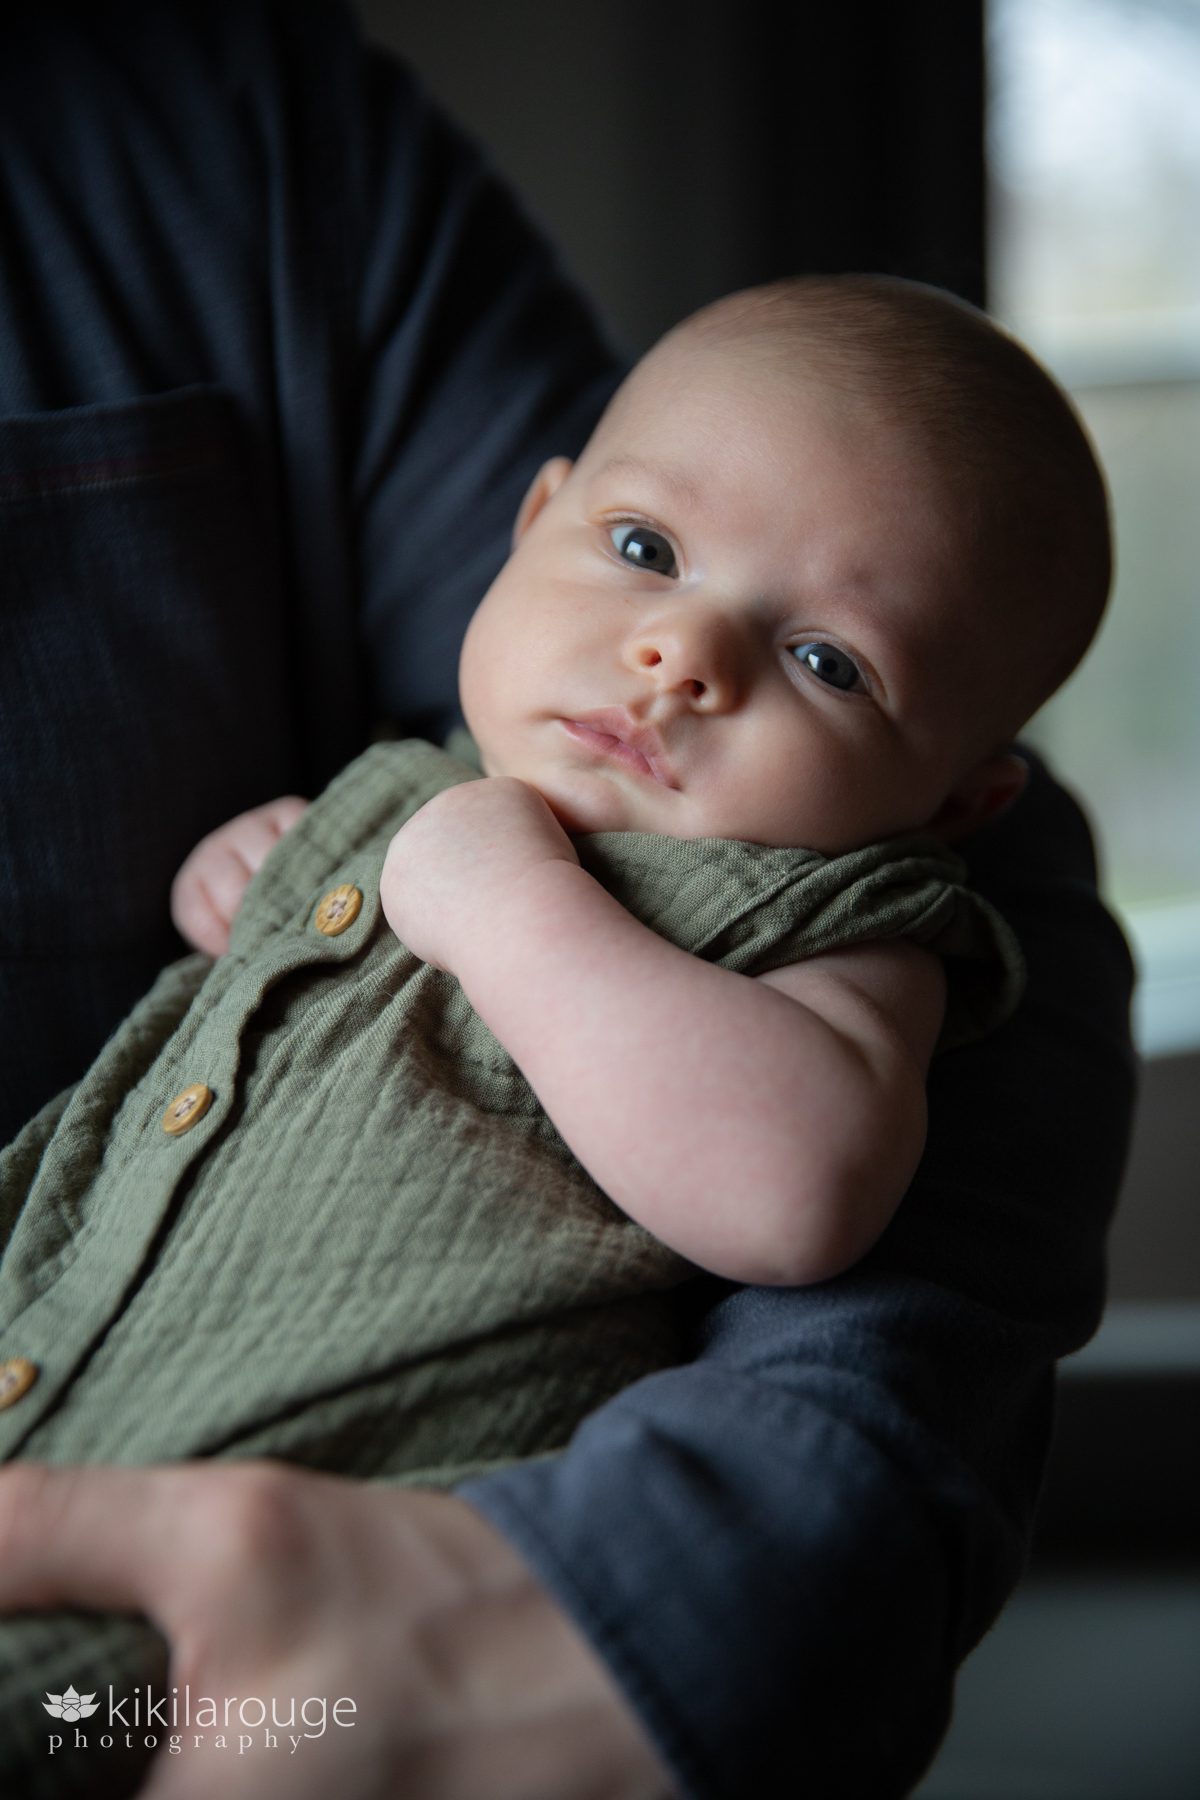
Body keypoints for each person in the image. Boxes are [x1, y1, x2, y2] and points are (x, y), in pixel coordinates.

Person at [0, 6, 1136, 1798]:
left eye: (828, 658)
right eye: (643, 551)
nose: (683, 651)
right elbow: (304, 954)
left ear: (960, 799)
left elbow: (789, 1187)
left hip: (255, 1591)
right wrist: (268, 875)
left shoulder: (835, 919)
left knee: (79, 1742)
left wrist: (500, 899)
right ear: (530, 519)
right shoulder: (426, 780)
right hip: (52, 1388)